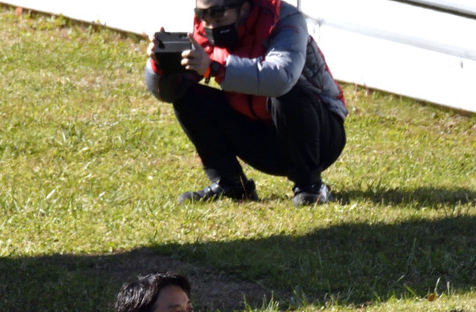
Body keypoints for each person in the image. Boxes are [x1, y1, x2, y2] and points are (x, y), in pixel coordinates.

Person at [144, 0, 347, 205]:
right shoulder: (205, 30)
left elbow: (282, 78)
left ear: (244, 6)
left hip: (321, 140)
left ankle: (310, 186)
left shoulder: (285, 19)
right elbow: (169, 93)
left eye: (219, 13)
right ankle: (231, 184)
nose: (212, 24)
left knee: (288, 92)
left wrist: (215, 67)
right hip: (263, 141)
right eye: (204, 15)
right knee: (188, 97)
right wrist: (160, 66)